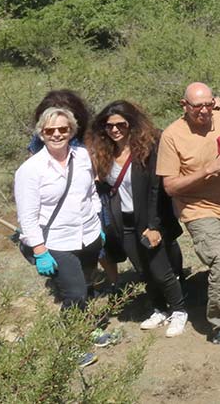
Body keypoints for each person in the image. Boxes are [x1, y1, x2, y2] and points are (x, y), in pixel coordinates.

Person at [158, 83, 220, 348]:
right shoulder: (172, 136)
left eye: (208, 105)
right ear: (184, 105)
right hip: (198, 210)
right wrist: (208, 169)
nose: (205, 111)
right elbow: (170, 186)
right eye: (197, 107)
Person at [86, 101, 188, 338]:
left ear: (131, 124)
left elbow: (155, 189)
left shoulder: (147, 149)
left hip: (149, 219)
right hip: (124, 221)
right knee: (143, 270)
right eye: (108, 126)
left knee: (161, 270)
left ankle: (179, 310)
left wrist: (154, 225)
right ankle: (159, 309)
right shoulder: (105, 153)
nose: (114, 130)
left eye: (120, 124)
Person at [16, 106, 109, 366]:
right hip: (56, 241)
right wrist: (39, 251)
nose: (57, 134)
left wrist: (97, 219)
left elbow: (91, 192)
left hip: (88, 235)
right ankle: (72, 345)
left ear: (71, 131)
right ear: (41, 133)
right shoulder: (31, 170)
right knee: (75, 292)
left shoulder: (82, 156)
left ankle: (87, 328)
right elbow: (27, 216)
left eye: (62, 129)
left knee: (88, 286)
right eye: (50, 130)